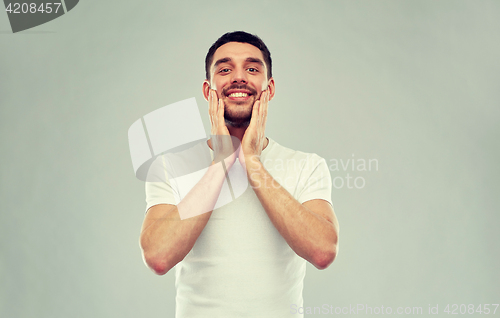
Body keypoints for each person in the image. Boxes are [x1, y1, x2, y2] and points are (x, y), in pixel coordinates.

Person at [139, 31, 339, 318]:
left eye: (252, 69)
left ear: (269, 89)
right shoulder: (170, 167)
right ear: (208, 91)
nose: (239, 77)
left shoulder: (307, 165)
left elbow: (322, 252)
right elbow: (158, 256)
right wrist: (221, 161)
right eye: (224, 69)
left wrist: (253, 163)